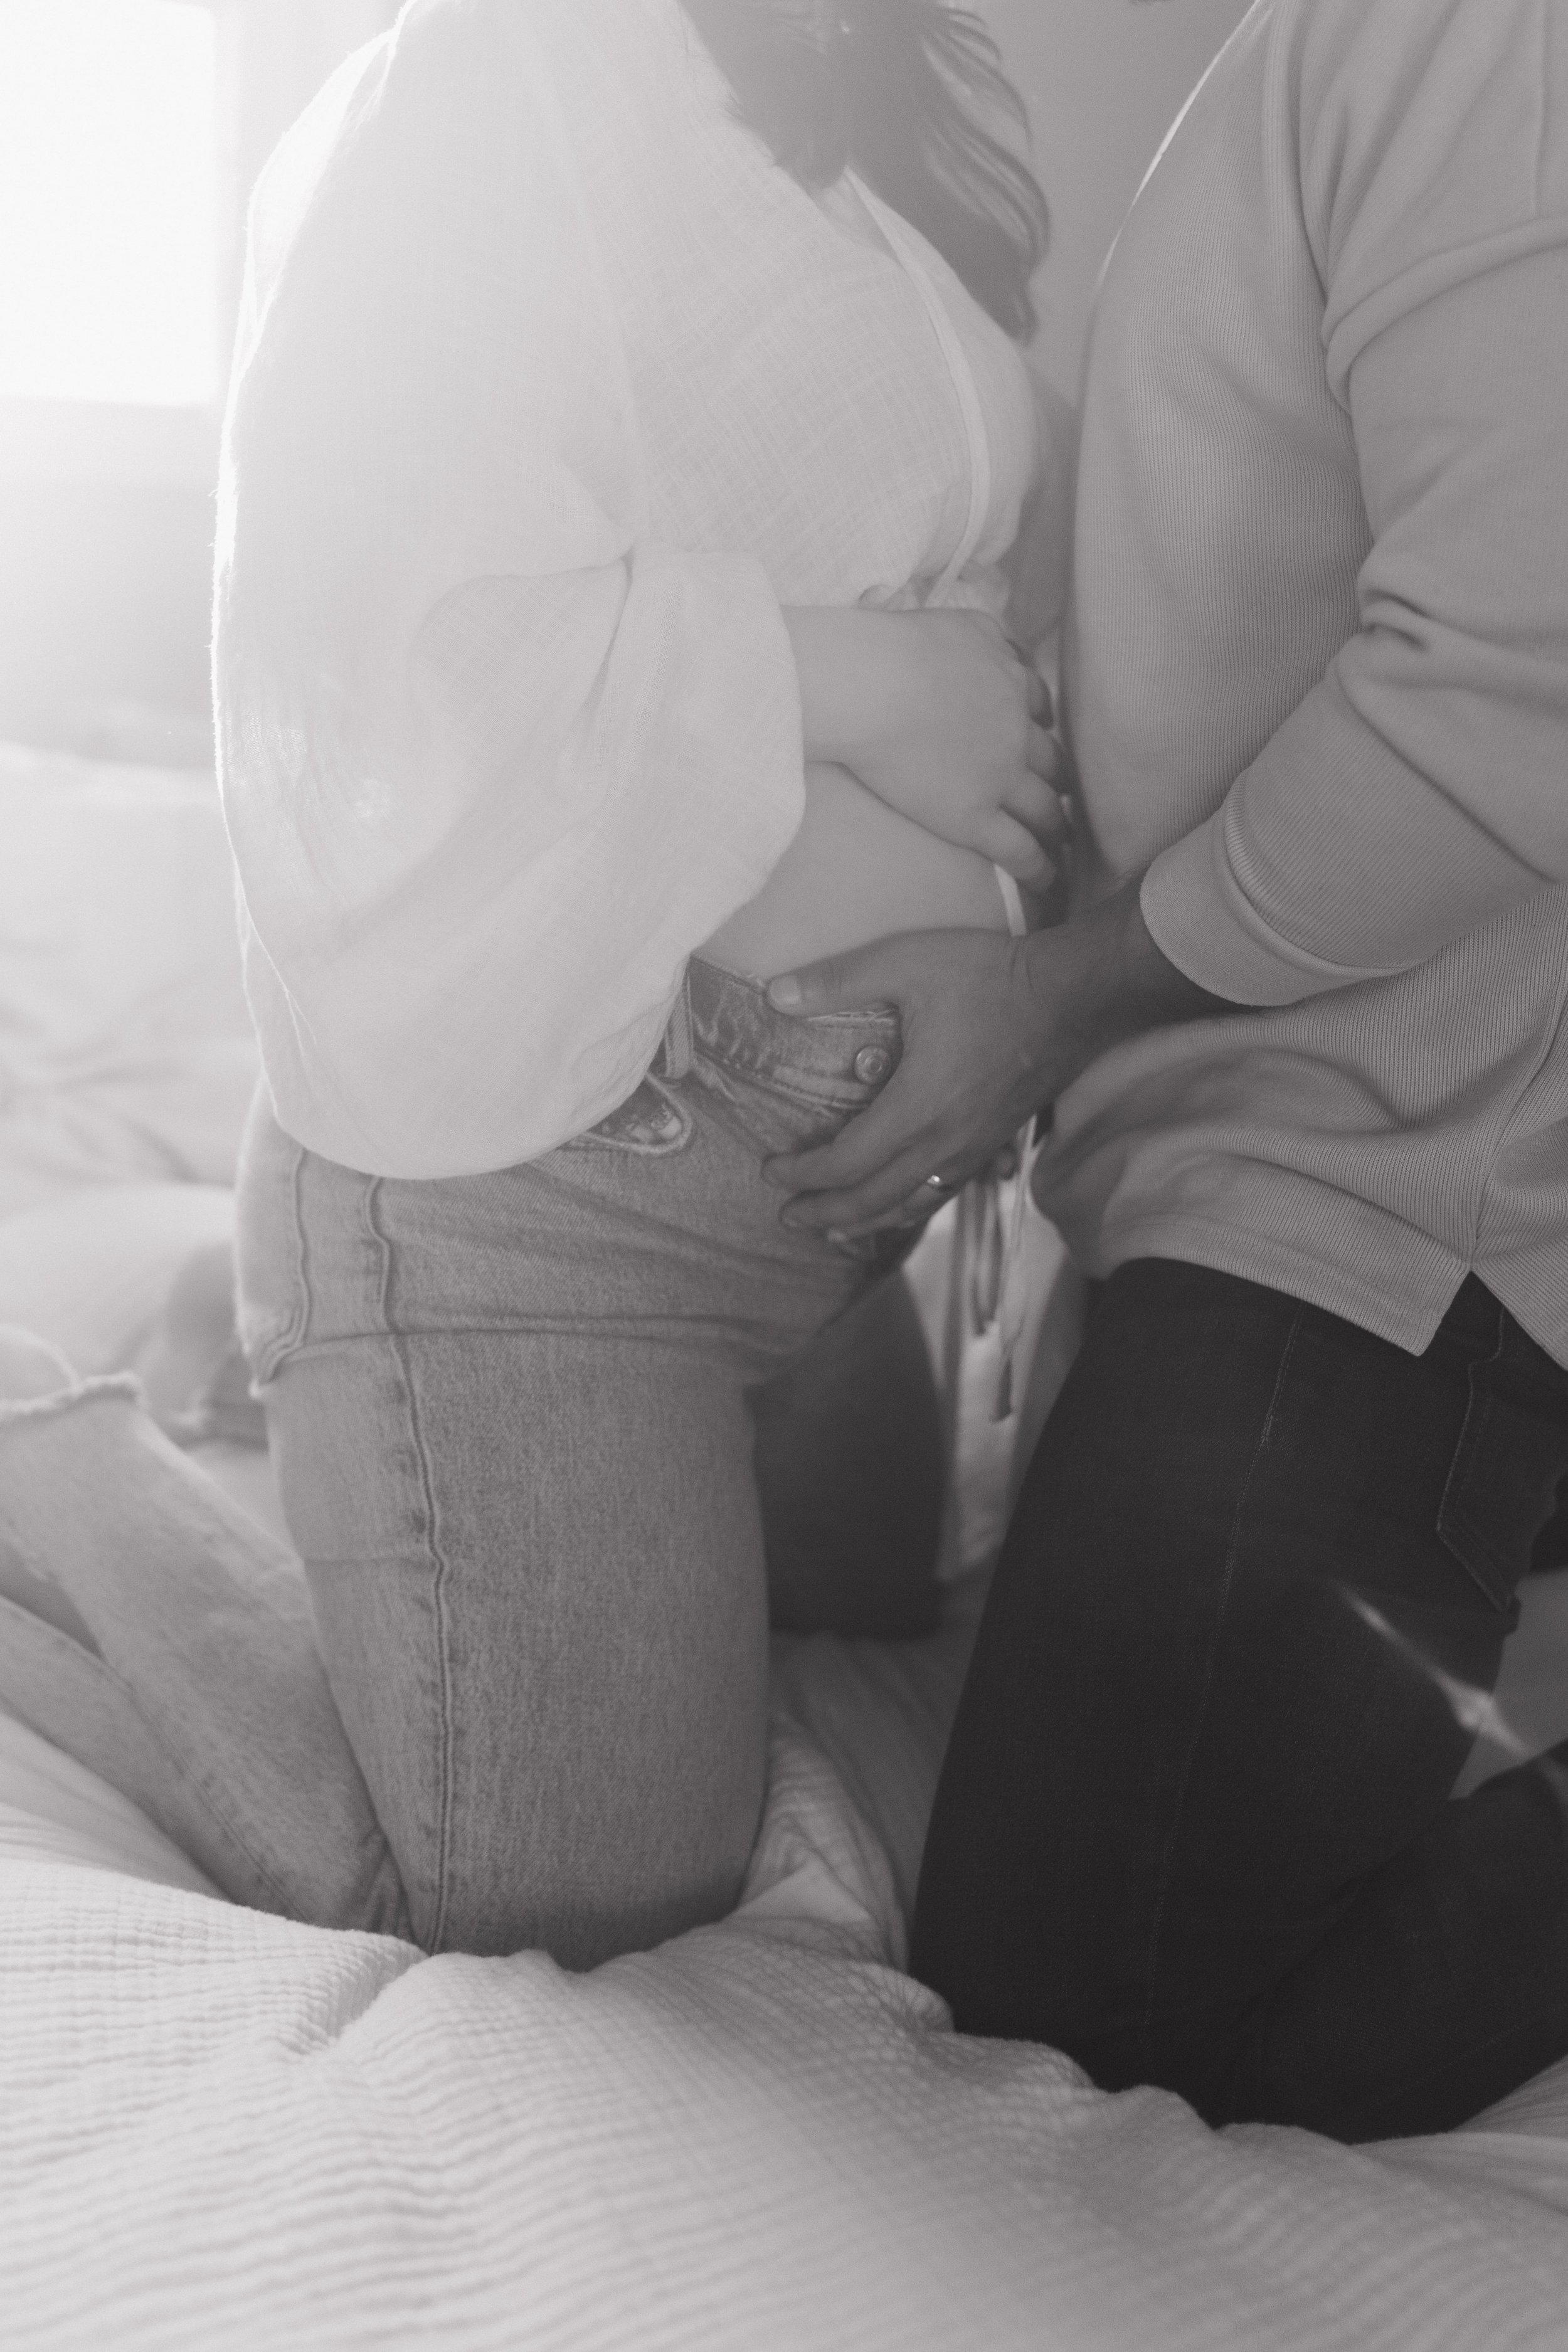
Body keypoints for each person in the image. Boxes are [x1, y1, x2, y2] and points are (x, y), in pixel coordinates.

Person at [0, 0, 1071, 1966]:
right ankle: (46, 1456)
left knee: (875, 1613)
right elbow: (373, 644)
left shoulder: (853, 84)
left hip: (828, 1218)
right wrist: (857, 682)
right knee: (561, 1913)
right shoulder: (498, 70)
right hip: (545, 1197)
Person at [763, 0, 1568, 2141]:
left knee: (1098, 2041)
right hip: (1257, 1157)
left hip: (1373, 1204)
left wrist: (1050, 1002)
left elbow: (1512, 698)